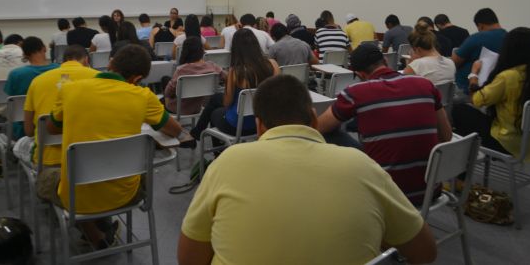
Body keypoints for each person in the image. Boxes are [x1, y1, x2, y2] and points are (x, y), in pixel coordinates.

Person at [179, 75, 437, 265]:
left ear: (259, 126)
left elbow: (189, 259)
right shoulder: (362, 164)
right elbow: (425, 252)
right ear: (314, 119)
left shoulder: (228, 162)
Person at [39, 44, 191, 249]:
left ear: (110, 63)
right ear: (137, 78)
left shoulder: (69, 89)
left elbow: (52, 128)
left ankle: (95, 234)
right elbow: (173, 130)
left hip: (75, 198)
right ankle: (100, 230)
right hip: (125, 195)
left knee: (46, 178)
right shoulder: (143, 96)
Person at [317, 43, 452, 205]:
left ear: (359, 74)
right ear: (386, 62)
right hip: (429, 191)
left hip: (385, 195)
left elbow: (318, 127)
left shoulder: (355, 93)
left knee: (332, 132)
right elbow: (446, 136)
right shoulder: (425, 84)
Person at [453, 27, 530, 161]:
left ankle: (461, 167)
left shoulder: (508, 77)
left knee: (458, 110)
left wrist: (473, 75)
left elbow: (476, 100)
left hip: (507, 143)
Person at [190, 28, 279, 140]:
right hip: (265, 123)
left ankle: (212, 145)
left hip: (239, 126)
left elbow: (227, 103)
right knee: (215, 99)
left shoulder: (236, 71)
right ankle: (197, 133)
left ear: (235, 48)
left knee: (214, 112)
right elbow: (278, 93)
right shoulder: (273, 64)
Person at [23, 45, 99, 167]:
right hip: (90, 158)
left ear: (62, 61)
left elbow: (29, 131)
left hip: (48, 161)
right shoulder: (99, 78)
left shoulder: (37, 81)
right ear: (86, 60)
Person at [5, 37, 59, 139]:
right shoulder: (60, 70)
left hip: (25, 129)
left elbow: (11, 101)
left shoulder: (16, 74)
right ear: (44, 48)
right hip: (59, 125)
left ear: (24, 54)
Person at [164, 37, 226, 115]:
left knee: (165, 83)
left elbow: (168, 92)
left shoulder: (181, 70)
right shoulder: (212, 66)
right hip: (200, 106)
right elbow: (227, 77)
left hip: (179, 108)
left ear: (185, 51)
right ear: (202, 50)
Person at [452, 8, 507, 95]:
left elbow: (454, 62)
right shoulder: (509, 38)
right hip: (497, 89)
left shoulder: (478, 37)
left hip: (468, 90)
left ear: (480, 26)